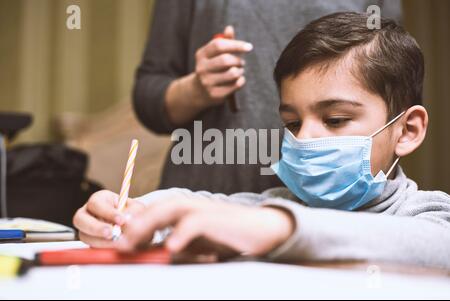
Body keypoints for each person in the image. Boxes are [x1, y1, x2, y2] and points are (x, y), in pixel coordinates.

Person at [75, 12, 450, 269]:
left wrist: (279, 228)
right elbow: (194, 206)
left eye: (335, 119)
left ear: (408, 130)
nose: (304, 138)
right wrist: (129, 215)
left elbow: (433, 246)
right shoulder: (270, 204)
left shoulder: (429, 214)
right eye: (291, 122)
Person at [133, 0, 401, 194]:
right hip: (213, 187)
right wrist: (196, 90)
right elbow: (147, 96)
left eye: (336, 118)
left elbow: (395, 88)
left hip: (333, 201)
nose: (302, 137)